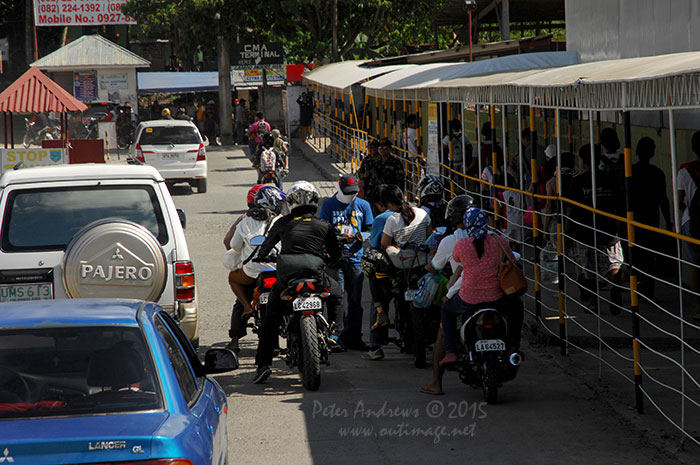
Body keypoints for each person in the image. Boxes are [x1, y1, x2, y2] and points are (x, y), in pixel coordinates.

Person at [253, 181, 344, 383]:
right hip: (316, 274)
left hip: (287, 276)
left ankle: (263, 365)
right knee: (336, 293)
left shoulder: (282, 222)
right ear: (314, 200)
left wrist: (263, 256)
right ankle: (335, 333)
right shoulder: (324, 225)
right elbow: (336, 254)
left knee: (270, 320)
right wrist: (335, 260)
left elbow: (265, 247)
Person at [439, 208, 522, 367]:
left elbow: (457, 259)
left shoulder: (462, 245)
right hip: (497, 297)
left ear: (467, 225)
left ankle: (450, 352)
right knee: (517, 306)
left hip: (468, 298)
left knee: (446, 310)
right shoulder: (499, 241)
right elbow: (512, 259)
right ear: (486, 223)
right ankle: (512, 347)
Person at [420, 194, 474, 395]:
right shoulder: (491, 238)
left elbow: (437, 266)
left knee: (443, 328)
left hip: (463, 292)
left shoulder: (452, 242)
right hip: (493, 294)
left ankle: (436, 382)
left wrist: (427, 267)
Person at [566, 144, 625, 315]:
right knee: (614, 263)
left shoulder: (578, 182)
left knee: (587, 269)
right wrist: (621, 227)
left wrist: (567, 233)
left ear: (583, 161)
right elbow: (619, 206)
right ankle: (614, 288)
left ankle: (593, 302)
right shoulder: (611, 179)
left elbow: (570, 209)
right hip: (609, 231)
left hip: (585, 232)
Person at [320, 174, 374, 351]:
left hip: (355, 259)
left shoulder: (363, 205)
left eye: (353, 192)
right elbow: (324, 233)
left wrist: (360, 237)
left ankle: (354, 337)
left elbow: (369, 230)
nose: (351, 196)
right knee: (337, 299)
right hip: (335, 260)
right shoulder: (328, 205)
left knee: (355, 301)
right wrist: (342, 238)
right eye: (347, 192)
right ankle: (336, 336)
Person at [227, 187, 284, 323]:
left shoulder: (245, 221)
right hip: (279, 270)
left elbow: (234, 246)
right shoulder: (282, 221)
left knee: (233, 278)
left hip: (252, 272)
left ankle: (247, 308)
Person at [223, 184, 266, 352]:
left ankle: (234, 341)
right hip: (274, 270)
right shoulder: (277, 218)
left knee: (240, 301)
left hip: (250, 272)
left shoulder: (244, 219)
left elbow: (228, 243)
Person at [631, 137, 673, 297]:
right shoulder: (657, 173)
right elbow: (664, 199)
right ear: (653, 153)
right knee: (649, 255)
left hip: (633, 219)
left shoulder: (630, 172)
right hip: (651, 219)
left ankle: (637, 284)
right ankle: (648, 287)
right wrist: (668, 221)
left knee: (634, 253)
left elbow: (623, 197)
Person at [677, 131, 700, 319]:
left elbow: (679, 201)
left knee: (694, 266)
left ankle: (699, 307)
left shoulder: (684, 171)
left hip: (691, 222)